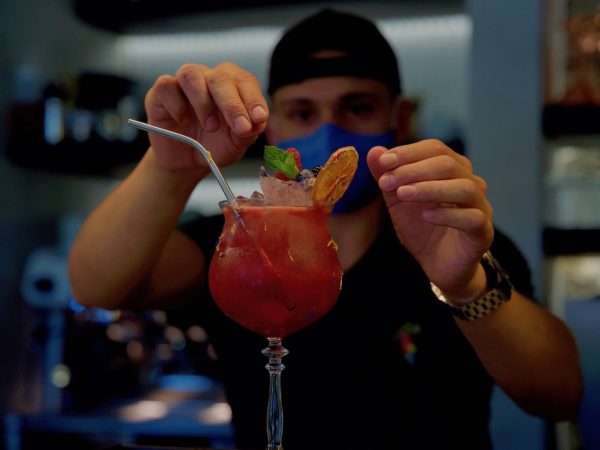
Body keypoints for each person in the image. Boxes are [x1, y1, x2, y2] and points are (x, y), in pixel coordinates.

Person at [68, 8, 583, 450]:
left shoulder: (451, 236)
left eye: (357, 107)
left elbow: (559, 395)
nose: (329, 129)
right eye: (302, 112)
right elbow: (96, 285)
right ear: (272, 128)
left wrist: (463, 284)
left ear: (399, 119)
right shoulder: (239, 241)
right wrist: (170, 169)